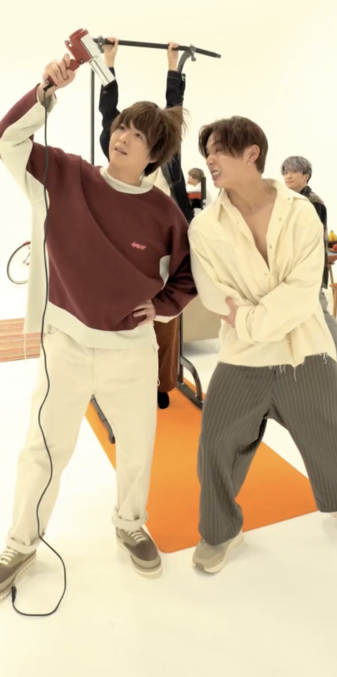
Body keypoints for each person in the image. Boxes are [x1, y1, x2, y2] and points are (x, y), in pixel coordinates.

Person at [0, 51, 196, 598]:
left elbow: (187, 275)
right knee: (43, 447)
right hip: (65, 340)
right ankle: (20, 544)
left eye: (138, 135)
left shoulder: (165, 215)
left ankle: (130, 525)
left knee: (136, 446)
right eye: (121, 126)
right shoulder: (64, 175)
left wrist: (162, 307)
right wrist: (45, 90)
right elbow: (8, 140)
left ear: (154, 155)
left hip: (128, 349)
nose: (122, 136)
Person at [188, 115, 337, 574]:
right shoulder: (205, 227)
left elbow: (304, 286)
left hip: (304, 348)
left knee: (328, 433)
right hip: (243, 357)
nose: (209, 160)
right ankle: (219, 530)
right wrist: (252, 320)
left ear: (251, 152)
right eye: (206, 153)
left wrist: (248, 318)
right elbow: (213, 293)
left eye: (218, 150)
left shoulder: (301, 211)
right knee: (216, 444)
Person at [99, 39, 193, 410]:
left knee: (165, 321)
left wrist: (173, 66)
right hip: (127, 252)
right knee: (124, 320)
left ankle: (162, 383)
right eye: (127, 132)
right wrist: (109, 62)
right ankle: (115, 388)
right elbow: (109, 114)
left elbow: (173, 112)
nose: (127, 139)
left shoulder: (168, 162)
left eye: (141, 135)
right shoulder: (118, 160)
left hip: (164, 249)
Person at [281, 156, 337, 392]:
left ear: (306, 176)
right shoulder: (287, 200)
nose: (289, 176)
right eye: (285, 172)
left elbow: (308, 240)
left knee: (322, 316)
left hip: (308, 270)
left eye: (294, 171)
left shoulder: (313, 202)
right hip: (290, 270)